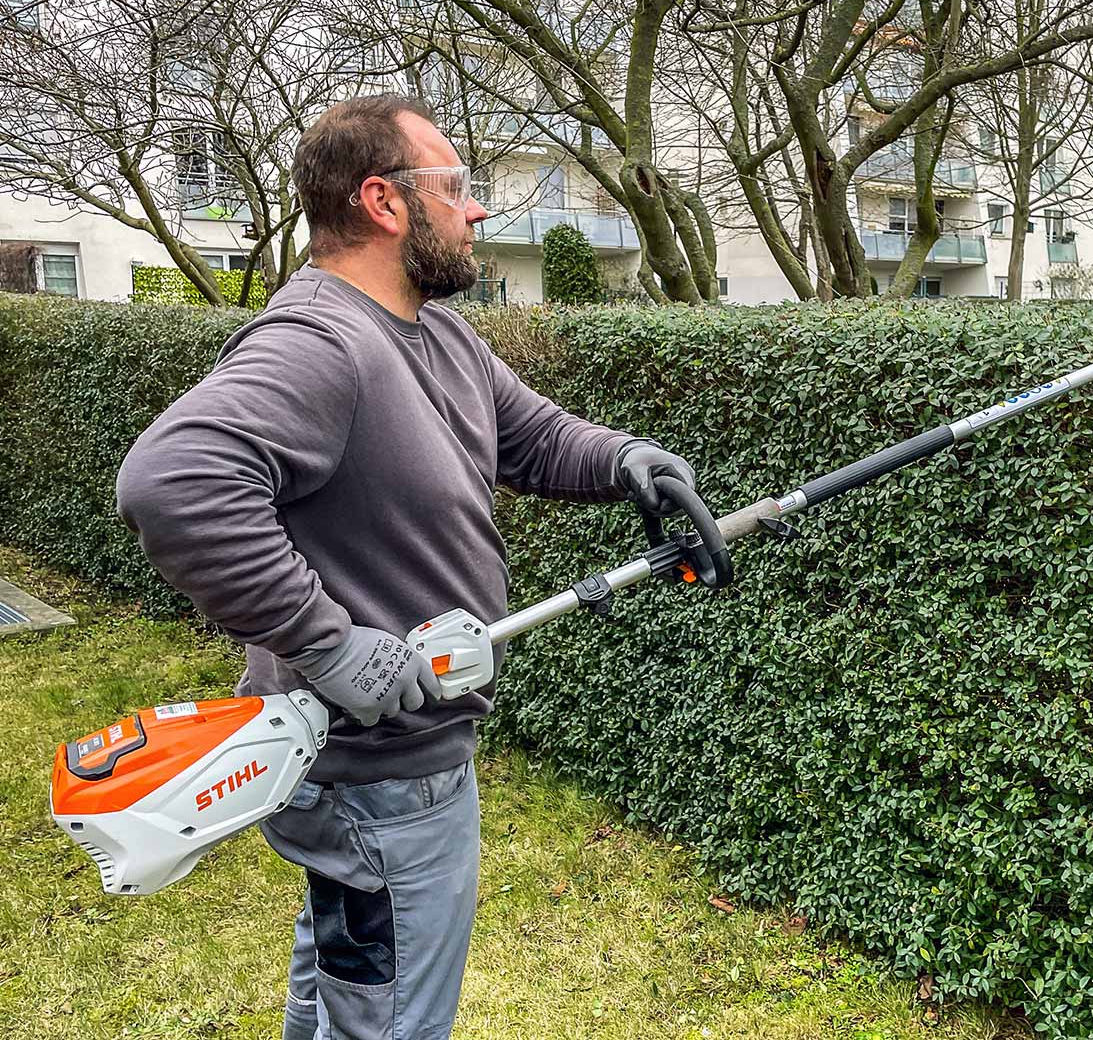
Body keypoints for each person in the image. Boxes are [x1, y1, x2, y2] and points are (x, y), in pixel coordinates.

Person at [114, 94, 697, 1039]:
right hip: (375, 776)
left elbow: (533, 436)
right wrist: (328, 642)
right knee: (393, 1019)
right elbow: (173, 481)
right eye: (457, 187)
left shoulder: (439, 333)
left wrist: (629, 458)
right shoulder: (323, 342)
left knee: (347, 981)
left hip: (379, 773)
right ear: (384, 203)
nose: (476, 212)